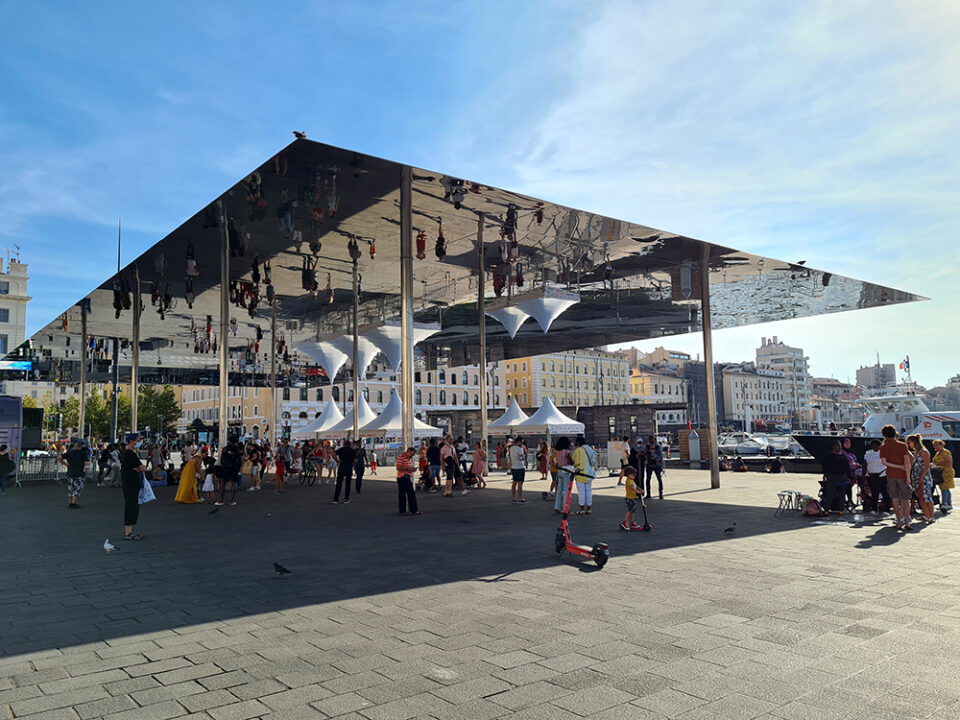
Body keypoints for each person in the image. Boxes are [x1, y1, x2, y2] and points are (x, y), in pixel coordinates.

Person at [878, 425, 912, 531]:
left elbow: (884, 463)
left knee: (895, 499)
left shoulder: (883, 447)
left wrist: (895, 466)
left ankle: (898, 523)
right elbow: (907, 461)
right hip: (902, 475)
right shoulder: (902, 446)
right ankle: (907, 523)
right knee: (906, 500)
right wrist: (907, 476)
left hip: (890, 475)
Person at [120, 433, 148, 540]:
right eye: (137, 440)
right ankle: (128, 532)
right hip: (131, 484)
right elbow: (143, 468)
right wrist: (139, 468)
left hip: (129, 483)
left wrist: (138, 468)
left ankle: (129, 531)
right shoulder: (130, 454)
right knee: (131, 506)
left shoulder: (127, 453)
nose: (138, 442)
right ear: (132, 441)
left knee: (132, 505)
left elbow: (139, 467)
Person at [907, 434, 935, 523]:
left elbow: (927, 465)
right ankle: (926, 515)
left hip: (924, 477)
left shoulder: (924, 452)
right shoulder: (916, 452)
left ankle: (931, 516)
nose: (908, 444)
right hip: (916, 476)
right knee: (920, 497)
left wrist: (922, 477)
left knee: (926, 496)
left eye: (909, 442)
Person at [820, 440, 850, 514]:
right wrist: (827, 474)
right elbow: (824, 466)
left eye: (840, 446)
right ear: (833, 447)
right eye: (838, 445)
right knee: (830, 494)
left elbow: (847, 467)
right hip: (832, 477)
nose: (840, 447)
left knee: (842, 495)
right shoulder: (828, 456)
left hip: (842, 477)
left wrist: (848, 477)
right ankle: (826, 509)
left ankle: (841, 509)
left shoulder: (843, 456)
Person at [571, 436, 596, 515]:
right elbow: (593, 461)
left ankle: (582, 509)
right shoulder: (590, 449)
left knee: (581, 491)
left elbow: (574, 462)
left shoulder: (577, 450)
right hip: (589, 473)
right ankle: (589, 509)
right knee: (589, 491)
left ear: (578, 443)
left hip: (580, 474)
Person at [61, 440, 89, 509]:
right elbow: (86, 464)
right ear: (81, 447)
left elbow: (59, 458)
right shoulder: (83, 454)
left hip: (70, 472)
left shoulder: (69, 453)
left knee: (71, 487)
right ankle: (73, 503)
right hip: (79, 472)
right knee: (77, 487)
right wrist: (85, 472)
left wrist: (65, 464)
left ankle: (70, 502)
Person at [862, 439, 887, 513]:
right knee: (874, 493)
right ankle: (874, 509)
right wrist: (863, 476)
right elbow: (864, 464)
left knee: (884, 493)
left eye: (877, 446)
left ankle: (886, 509)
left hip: (882, 475)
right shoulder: (868, 453)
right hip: (871, 475)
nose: (875, 447)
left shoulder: (884, 453)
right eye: (873, 446)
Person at [395, 446, 421, 516]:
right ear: (408, 451)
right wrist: (408, 469)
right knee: (403, 494)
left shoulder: (408, 458)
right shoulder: (401, 457)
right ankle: (404, 510)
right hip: (402, 477)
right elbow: (398, 467)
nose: (412, 456)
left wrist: (412, 469)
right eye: (412, 454)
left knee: (411, 494)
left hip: (407, 477)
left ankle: (413, 510)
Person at [217, 438, 242, 506]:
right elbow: (240, 460)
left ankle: (221, 500)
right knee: (234, 484)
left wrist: (223, 466)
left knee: (223, 484)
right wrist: (239, 468)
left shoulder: (225, 449)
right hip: (234, 468)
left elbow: (221, 458)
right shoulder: (237, 450)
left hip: (226, 468)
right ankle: (231, 501)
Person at [932, 439, 954, 512]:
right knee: (944, 488)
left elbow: (949, 463)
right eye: (934, 445)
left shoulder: (946, 452)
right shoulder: (938, 453)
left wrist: (937, 464)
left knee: (945, 488)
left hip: (947, 473)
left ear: (942, 445)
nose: (935, 446)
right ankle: (948, 504)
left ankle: (944, 504)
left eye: (937, 445)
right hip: (940, 473)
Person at [620, 466, 644, 531]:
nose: (634, 476)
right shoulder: (629, 481)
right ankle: (624, 522)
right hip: (630, 498)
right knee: (630, 510)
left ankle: (632, 522)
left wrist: (640, 489)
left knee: (633, 510)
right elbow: (632, 488)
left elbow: (635, 486)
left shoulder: (631, 481)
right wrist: (639, 492)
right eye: (633, 474)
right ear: (628, 475)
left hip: (633, 498)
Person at [553, 437, 573, 514]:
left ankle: (557, 508)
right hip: (566, 471)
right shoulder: (566, 451)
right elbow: (571, 462)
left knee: (559, 490)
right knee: (566, 491)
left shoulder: (557, 451)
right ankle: (565, 508)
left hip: (559, 470)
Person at [333, 438, 355, 504]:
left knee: (339, 484)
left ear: (344, 444)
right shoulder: (352, 451)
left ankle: (336, 499)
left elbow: (333, 453)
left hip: (341, 468)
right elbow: (355, 460)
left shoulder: (341, 449)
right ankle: (346, 499)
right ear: (350, 445)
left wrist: (337, 460)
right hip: (349, 468)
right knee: (348, 484)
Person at [509, 435, 527, 503]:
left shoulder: (511, 448)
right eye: (521, 442)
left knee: (514, 482)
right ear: (519, 442)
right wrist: (523, 457)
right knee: (520, 483)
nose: (522, 444)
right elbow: (521, 458)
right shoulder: (520, 449)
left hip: (513, 467)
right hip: (520, 467)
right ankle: (520, 498)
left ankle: (513, 497)